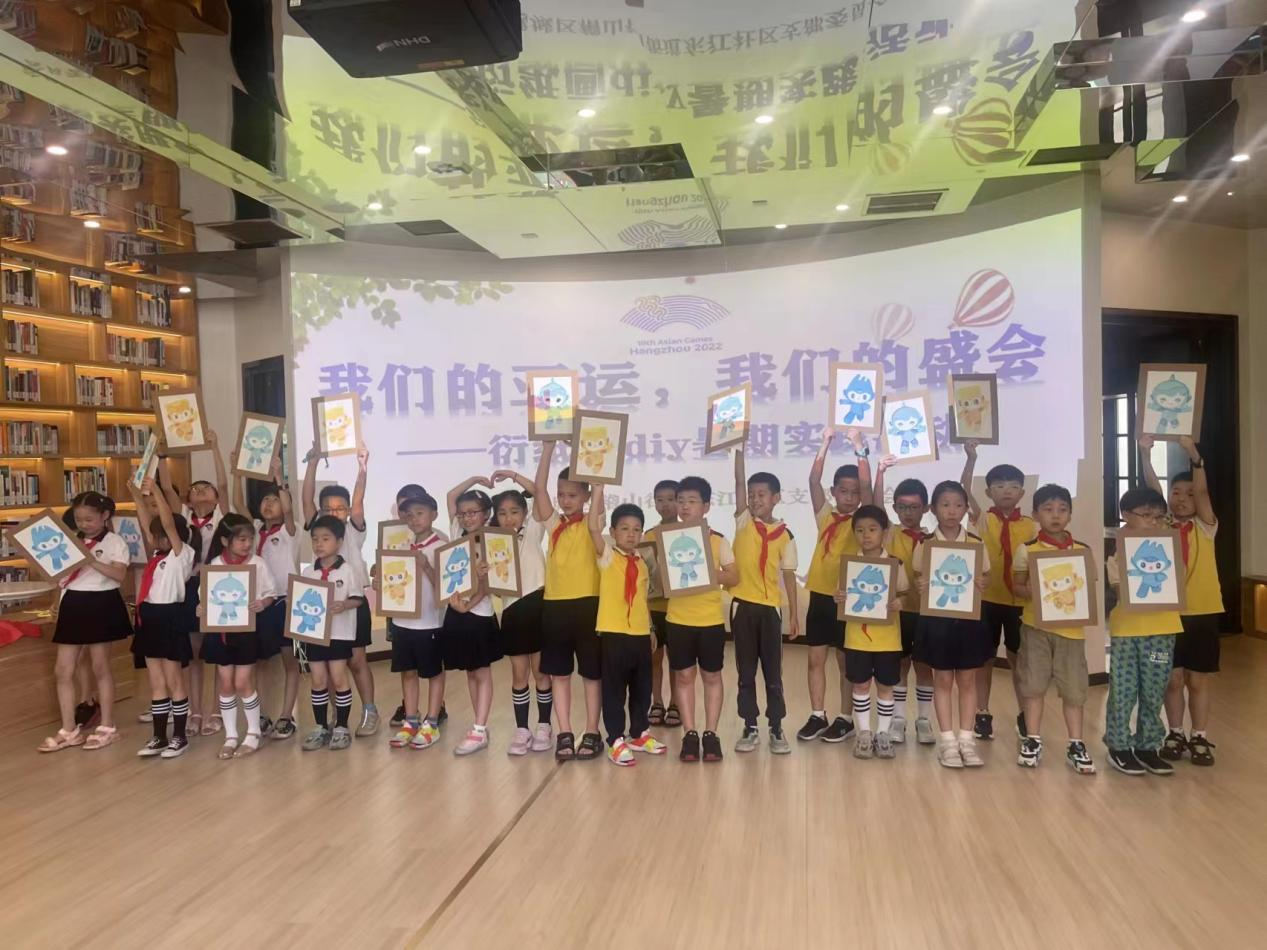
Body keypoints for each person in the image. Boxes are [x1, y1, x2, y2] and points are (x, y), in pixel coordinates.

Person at [1140, 434, 1223, 767]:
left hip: (1203, 612)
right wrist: (1145, 455)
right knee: (1171, 679)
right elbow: (1153, 491)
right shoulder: (1163, 525)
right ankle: (1175, 732)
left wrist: (1193, 454)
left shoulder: (1206, 526)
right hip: (1167, 614)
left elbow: (1202, 493)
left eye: (1189, 494)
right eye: (1176, 492)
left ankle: (1199, 735)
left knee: (1197, 679)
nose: (1182, 499)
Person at [38, 492, 133, 752]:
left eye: (89, 519)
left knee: (100, 666)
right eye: (79, 519)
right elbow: (60, 576)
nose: (84, 524)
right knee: (63, 669)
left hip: (101, 603)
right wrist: (56, 601)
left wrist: (90, 559)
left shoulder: (115, 542)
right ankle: (69, 730)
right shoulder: (69, 540)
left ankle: (107, 726)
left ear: (105, 516)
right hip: (73, 603)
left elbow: (119, 575)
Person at [1011, 484, 1096, 774]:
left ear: (1070, 514)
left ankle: (1076, 743)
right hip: (1035, 628)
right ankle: (1033, 739)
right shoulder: (1027, 550)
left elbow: (1086, 590)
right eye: (1048, 509)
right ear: (1035, 514)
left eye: (1062, 509)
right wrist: (1033, 591)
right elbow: (1017, 587)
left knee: (1074, 690)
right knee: (1033, 686)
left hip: (1072, 633)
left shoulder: (1082, 551)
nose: (1055, 515)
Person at [798, 428, 871, 743]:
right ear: (835, 491)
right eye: (844, 491)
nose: (850, 497)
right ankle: (818, 714)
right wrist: (824, 443)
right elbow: (813, 482)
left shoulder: (863, 521)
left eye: (855, 493)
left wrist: (859, 447)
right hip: (820, 596)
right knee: (815, 659)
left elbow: (867, 487)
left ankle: (845, 717)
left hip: (849, 599)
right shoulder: (826, 515)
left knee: (845, 662)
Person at [302, 442, 379, 737]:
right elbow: (306, 499)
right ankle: (337, 716)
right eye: (328, 508)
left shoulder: (353, 529)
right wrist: (312, 463)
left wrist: (362, 468)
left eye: (340, 508)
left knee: (356, 661)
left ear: (347, 511)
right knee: (328, 665)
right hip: (323, 607)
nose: (334, 512)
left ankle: (370, 711)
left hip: (353, 603)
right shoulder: (319, 530)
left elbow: (359, 499)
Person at [914, 481, 992, 769]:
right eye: (945, 505)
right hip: (937, 622)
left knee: (968, 681)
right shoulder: (925, 544)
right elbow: (918, 577)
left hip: (969, 621)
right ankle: (947, 741)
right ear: (933, 509)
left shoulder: (976, 543)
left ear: (966, 509)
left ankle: (966, 740)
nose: (952, 511)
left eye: (958, 505)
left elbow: (986, 576)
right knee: (943, 680)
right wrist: (921, 585)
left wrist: (983, 582)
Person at [1104, 487, 1181, 776]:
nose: (1153, 521)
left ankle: (1148, 747)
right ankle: (1119, 746)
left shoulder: (1168, 547)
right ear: (1126, 515)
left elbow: (1175, 581)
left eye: (1158, 516)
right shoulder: (1117, 551)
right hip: (1127, 631)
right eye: (1146, 515)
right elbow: (1119, 591)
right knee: (1123, 691)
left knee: (1154, 689)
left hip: (1164, 629)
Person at [960, 445, 1036, 740]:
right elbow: (963, 490)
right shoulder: (983, 519)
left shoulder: (1031, 526)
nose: (1007, 491)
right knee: (985, 659)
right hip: (987, 601)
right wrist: (971, 458)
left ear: (1022, 493)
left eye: (1013, 486)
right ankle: (982, 712)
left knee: (1020, 662)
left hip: (1020, 603)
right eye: (1000, 486)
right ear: (989, 492)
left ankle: (1024, 713)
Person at [534, 442, 603, 761]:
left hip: (589, 605)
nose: (565, 500)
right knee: (559, 674)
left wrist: (596, 472)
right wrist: (547, 449)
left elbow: (598, 491)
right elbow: (539, 490)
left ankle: (592, 731)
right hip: (555, 607)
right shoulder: (554, 524)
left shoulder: (593, 523)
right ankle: (564, 731)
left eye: (573, 495)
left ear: (586, 495)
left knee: (591, 674)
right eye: (561, 494)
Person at [587, 493, 666, 765]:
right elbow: (593, 528)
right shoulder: (607, 556)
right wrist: (598, 488)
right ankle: (615, 740)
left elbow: (642, 600)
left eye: (636, 529)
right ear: (613, 532)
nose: (631, 534)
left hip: (640, 634)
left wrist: (651, 629)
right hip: (614, 634)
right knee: (614, 690)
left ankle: (639, 733)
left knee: (642, 687)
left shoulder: (642, 562)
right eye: (624, 528)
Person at [158, 442, 228, 738]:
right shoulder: (184, 519)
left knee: (218, 652)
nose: (199, 491)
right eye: (194, 489)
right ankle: (195, 710)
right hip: (189, 587)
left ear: (216, 497)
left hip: (218, 586)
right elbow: (167, 489)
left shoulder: (222, 517)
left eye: (205, 488)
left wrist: (214, 449)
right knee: (195, 652)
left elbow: (223, 483)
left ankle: (217, 711)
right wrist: (161, 457)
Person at [732, 449, 799, 754]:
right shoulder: (744, 522)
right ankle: (750, 725)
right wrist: (739, 449)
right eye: (751, 494)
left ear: (776, 498)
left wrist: (794, 614)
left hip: (771, 610)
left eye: (761, 494)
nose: (755, 499)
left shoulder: (786, 535)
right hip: (743, 607)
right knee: (745, 673)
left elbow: (789, 576)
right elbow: (738, 481)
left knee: (773, 674)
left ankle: (776, 726)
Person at [666, 476, 737, 763]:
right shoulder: (668, 539)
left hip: (709, 620)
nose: (684, 506)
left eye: (692, 501)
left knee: (711, 676)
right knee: (684, 677)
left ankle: (711, 733)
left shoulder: (718, 540)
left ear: (706, 506)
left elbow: (733, 577)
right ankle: (690, 733)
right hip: (678, 618)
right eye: (681, 501)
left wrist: (709, 570)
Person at [126, 477, 197, 759]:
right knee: (156, 682)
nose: (157, 539)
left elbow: (167, 523)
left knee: (174, 679)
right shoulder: (157, 554)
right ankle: (159, 736)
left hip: (170, 617)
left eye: (163, 535)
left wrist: (156, 490)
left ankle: (180, 736)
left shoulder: (182, 554)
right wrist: (137, 496)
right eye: (157, 536)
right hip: (150, 617)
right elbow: (148, 524)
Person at [199, 515, 278, 759]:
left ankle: (253, 732)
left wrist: (262, 603)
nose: (247, 544)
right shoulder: (215, 564)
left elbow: (271, 593)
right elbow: (205, 597)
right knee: (225, 684)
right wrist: (201, 608)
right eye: (241, 539)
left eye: (250, 539)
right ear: (225, 540)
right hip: (221, 632)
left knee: (243, 682)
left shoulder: (258, 563)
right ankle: (231, 735)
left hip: (247, 631)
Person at [832, 505, 906, 760]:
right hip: (857, 638)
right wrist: (839, 597)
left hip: (888, 640)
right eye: (860, 530)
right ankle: (864, 732)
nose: (866, 535)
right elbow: (841, 594)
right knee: (860, 684)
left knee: (886, 686)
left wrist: (900, 602)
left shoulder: (895, 564)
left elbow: (905, 594)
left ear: (885, 532)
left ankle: (883, 733)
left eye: (873, 529)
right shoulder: (850, 565)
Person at [233, 456, 300, 740]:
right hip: (259, 603)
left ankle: (287, 716)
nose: (269, 504)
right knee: (259, 662)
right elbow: (238, 505)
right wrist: (237, 472)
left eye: (275, 499)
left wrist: (279, 477)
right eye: (265, 500)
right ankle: (260, 714)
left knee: (289, 662)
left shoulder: (288, 530)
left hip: (284, 601)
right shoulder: (255, 529)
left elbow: (288, 509)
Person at [489, 471, 553, 755]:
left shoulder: (533, 531)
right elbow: (494, 585)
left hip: (537, 605)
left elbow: (539, 491)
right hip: (511, 611)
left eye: (514, 511)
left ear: (525, 513)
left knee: (541, 672)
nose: (508, 518)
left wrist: (513, 476)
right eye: (502, 513)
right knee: (518, 674)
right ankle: (522, 728)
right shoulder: (493, 543)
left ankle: (544, 725)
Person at [872, 460, 936, 744]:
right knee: (900, 666)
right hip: (896, 614)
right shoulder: (890, 533)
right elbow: (875, 505)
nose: (908, 513)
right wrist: (880, 472)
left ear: (926, 508)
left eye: (914, 507)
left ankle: (924, 720)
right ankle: (898, 719)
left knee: (924, 667)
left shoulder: (934, 540)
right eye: (902, 507)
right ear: (895, 508)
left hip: (925, 613)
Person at [442, 479, 504, 756]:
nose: (467, 517)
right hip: (457, 611)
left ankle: (479, 728)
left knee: (482, 671)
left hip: (478, 613)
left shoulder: (492, 540)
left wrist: (470, 604)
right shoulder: (458, 533)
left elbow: (490, 583)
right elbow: (451, 494)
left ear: (486, 514)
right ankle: (479, 725)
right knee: (470, 670)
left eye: (473, 512)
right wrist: (477, 480)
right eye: (463, 513)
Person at [386, 489, 447, 750]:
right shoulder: (402, 547)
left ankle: (432, 721)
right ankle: (410, 720)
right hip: (403, 622)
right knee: (408, 672)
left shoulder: (441, 547)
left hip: (430, 622)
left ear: (434, 514)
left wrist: (426, 565)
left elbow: (445, 587)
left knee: (433, 672)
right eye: (409, 515)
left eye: (420, 513)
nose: (414, 519)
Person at [299, 516, 365, 751]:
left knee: (338, 678)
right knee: (318, 680)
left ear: (339, 542)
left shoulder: (347, 570)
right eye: (315, 539)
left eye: (325, 539)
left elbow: (358, 599)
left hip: (340, 634)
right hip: (315, 634)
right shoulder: (308, 571)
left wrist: (344, 605)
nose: (319, 544)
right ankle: (321, 727)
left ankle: (342, 727)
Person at [643, 479, 680, 728]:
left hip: (679, 609)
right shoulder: (647, 536)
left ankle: (676, 703)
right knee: (654, 659)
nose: (665, 504)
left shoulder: (689, 533)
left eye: (671, 499)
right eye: (660, 500)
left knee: (677, 661)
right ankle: (656, 702)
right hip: (654, 608)